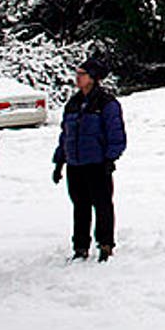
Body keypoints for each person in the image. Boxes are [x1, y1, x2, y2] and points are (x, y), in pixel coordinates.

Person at [52, 57, 127, 261]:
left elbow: (115, 133)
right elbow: (65, 134)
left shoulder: (106, 103)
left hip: (97, 163)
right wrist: (60, 161)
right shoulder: (73, 103)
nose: (78, 78)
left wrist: (111, 158)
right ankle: (80, 246)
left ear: (93, 78)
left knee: (102, 204)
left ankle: (105, 243)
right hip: (75, 163)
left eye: (82, 74)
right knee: (80, 205)